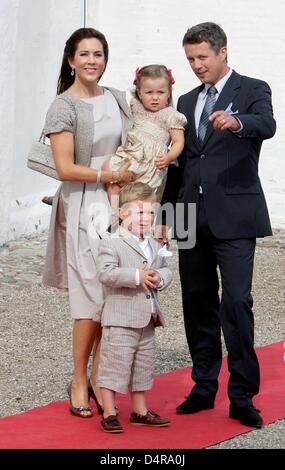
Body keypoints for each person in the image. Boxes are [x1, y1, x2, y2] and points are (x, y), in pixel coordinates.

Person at [163, 22, 276, 428]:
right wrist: (167, 217)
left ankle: (243, 395)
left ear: (223, 52)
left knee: (236, 302)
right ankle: (203, 385)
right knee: (197, 303)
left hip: (236, 215)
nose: (196, 66)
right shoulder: (186, 98)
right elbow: (180, 164)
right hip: (190, 215)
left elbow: (267, 125)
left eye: (202, 58)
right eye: (190, 59)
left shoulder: (253, 89)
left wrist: (237, 122)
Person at [42, 28, 134, 418]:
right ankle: (79, 379)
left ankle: (99, 378)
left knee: (112, 293)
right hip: (84, 203)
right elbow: (64, 167)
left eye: (98, 54)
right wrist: (106, 177)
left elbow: (132, 144)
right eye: (85, 54)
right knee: (90, 296)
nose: (92, 61)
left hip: (121, 203)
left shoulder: (117, 98)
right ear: (71, 60)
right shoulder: (62, 106)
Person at [96, 182, 172, 433]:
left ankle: (139, 411)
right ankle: (109, 411)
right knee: (115, 364)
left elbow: (165, 268)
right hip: (120, 317)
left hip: (147, 317)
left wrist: (160, 277)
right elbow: (106, 274)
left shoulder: (152, 242)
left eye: (150, 212)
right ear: (122, 214)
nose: (146, 218)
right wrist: (137, 277)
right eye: (139, 212)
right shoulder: (112, 242)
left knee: (143, 365)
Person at [102, 64, 187, 204]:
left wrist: (169, 157)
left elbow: (178, 141)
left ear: (169, 93)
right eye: (149, 92)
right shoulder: (135, 106)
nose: (155, 97)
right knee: (109, 169)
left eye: (160, 92)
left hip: (152, 162)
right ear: (139, 93)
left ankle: (138, 217)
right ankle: (114, 209)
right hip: (131, 154)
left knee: (141, 195)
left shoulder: (172, 115)